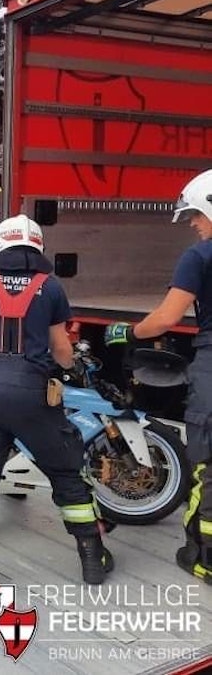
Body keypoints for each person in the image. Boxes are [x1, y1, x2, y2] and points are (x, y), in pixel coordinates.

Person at [0, 214, 113, 596]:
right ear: (38, 249)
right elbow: (62, 350)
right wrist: (70, 370)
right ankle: (92, 560)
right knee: (66, 473)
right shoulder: (50, 288)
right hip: (33, 395)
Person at [105, 168, 212, 585]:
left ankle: (204, 558)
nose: (192, 223)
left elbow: (167, 317)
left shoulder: (199, 256)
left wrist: (126, 333)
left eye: (195, 215)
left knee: (208, 464)